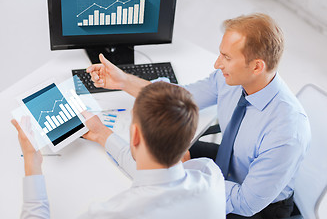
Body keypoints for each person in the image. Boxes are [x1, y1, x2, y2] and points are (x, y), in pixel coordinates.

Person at [86, 13, 311, 218]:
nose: (217, 63)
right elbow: (177, 98)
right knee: (159, 155)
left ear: (256, 67)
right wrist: (123, 81)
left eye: (226, 57)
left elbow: (246, 202)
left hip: (259, 208)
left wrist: (185, 177)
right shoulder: (230, 80)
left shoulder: (287, 131)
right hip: (228, 164)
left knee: (162, 171)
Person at [12, 82, 226, 219]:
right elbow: (159, 175)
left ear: (134, 136)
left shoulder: (115, 212)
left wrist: (31, 161)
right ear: (189, 138)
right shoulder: (210, 173)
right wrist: (101, 133)